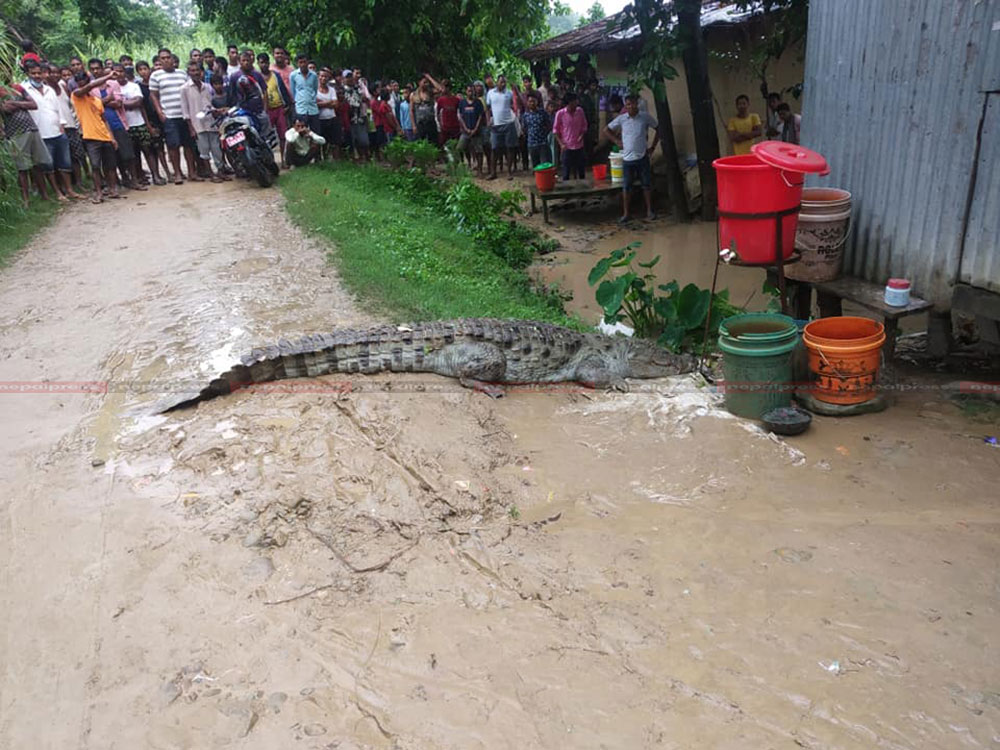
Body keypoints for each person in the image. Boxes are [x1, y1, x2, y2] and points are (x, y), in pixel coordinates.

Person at [21, 60, 78, 201]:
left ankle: (70, 190)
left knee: (64, 163)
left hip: (57, 131)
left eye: (39, 73)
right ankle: (57, 193)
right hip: (40, 133)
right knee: (48, 165)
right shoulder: (24, 89)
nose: (37, 76)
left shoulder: (49, 89)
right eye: (33, 73)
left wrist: (62, 126)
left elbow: (58, 110)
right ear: (28, 74)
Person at [1, 78, 57, 206]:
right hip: (15, 133)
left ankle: (45, 195)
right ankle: (25, 200)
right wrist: (21, 103)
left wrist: (15, 104)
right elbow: (5, 110)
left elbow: (33, 105)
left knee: (38, 165)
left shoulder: (18, 87)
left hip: (32, 129)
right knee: (22, 168)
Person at [605, 93, 659, 223]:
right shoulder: (622, 119)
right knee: (627, 187)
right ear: (626, 105)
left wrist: (653, 147)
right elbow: (606, 130)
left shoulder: (645, 117)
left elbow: (658, 128)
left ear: (637, 104)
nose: (631, 106)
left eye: (633, 104)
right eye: (628, 104)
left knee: (646, 185)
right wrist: (617, 141)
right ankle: (626, 213)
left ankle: (649, 210)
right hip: (627, 159)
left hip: (642, 157)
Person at [150, 47, 198, 184]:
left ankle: (191, 172)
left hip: (184, 115)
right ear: (159, 60)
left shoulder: (182, 74)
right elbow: (153, 95)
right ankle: (177, 173)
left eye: (168, 57)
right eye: (162, 58)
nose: (166, 60)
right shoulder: (156, 76)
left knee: (188, 145)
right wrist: (160, 112)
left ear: (172, 58)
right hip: (169, 115)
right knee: (173, 145)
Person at [70, 70, 119, 202]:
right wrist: (108, 76)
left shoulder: (97, 100)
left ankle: (112, 189)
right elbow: (89, 87)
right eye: (79, 83)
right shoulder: (76, 95)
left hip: (104, 136)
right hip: (90, 137)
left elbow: (104, 120)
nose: (82, 85)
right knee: (95, 166)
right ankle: (98, 193)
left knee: (110, 165)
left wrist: (112, 137)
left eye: (84, 82)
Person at [101, 63, 143, 189]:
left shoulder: (114, 85)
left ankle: (134, 180)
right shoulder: (93, 88)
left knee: (128, 154)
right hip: (103, 127)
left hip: (118, 123)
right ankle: (123, 179)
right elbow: (95, 105)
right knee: (113, 156)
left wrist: (104, 102)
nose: (115, 74)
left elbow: (118, 103)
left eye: (118, 71)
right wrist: (108, 100)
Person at [180, 62, 224, 181]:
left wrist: (216, 112)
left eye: (197, 70)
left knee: (216, 149)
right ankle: (210, 173)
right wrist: (191, 128)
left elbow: (210, 104)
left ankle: (220, 171)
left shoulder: (207, 87)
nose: (195, 73)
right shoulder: (184, 89)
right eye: (192, 71)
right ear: (188, 72)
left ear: (201, 72)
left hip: (211, 123)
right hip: (197, 125)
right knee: (204, 151)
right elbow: (185, 111)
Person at [120, 62, 160, 187]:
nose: (119, 75)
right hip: (126, 126)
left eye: (121, 72)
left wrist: (121, 103)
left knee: (148, 151)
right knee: (134, 154)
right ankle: (139, 177)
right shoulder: (113, 88)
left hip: (139, 123)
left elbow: (139, 103)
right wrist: (128, 103)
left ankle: (156, 176)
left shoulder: (134, 86)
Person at [50, 64, 88, 189]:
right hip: (57, 128)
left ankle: (79, 183)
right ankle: (63, 187)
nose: (54, 75)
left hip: (71, 125)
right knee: (61, 159)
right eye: (51, 72)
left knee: (76, 156)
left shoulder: (63, 86)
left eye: (57, 72)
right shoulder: (46, 90)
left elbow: (70, 105)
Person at [135, 59, 170, 183]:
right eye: (140, 70)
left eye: (145, 69)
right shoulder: (139, 87)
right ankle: (156, 175)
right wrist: (148, 125)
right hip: (150, 120)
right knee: (154, 149)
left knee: (164, 147)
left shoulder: (156, 83)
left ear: (149, 69)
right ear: (138, 72)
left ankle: (168, 172)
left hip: (162, 116)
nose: (144, 72)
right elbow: (142, 107)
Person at [258, 52, 292, 168]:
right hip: (265, 111)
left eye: (266, 62)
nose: (264, 65)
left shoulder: (275, 75)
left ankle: (284, 160)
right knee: (266, 138)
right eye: (261, 63)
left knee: (283, 136)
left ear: (269, 63)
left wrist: (287, 104)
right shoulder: (256, 77)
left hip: (279, 109)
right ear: (258, 64)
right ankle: (269, 162)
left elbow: (282, 89)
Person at [485, 74, 517, 180]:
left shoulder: (509, 93)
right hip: (495, 125)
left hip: (508, 123)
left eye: (504, 82)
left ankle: (509, 172)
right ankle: (493, 173)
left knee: (509, 148)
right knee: (494, 149)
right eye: (501, 82)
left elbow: (514, 105)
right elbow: (487, 108)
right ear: (497, 82)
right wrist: (488, 120)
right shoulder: (490, 93)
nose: (503, 84)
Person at [553, 91, 587, 180]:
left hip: (579, 145)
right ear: (568, 103)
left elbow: (584, 125)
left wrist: (582, 135)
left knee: (581, 170)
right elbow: (555, 130)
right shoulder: (560, 114)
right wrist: (561, 144)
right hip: (567, 146)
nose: (576, 104)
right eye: (574, 102)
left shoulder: (580, 111)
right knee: (566, 171)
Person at [341, 70, 371, 161]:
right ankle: (354, 159)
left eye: (350, 77)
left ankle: (364, 158)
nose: (349, 79)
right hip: (348, 119)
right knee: (351, 140)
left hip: (360, 117)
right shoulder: (341, 90)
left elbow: (364, 100)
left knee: (364, 140)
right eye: (347, 77)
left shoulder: (357, 88)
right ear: (343, 78)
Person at [457, 84, 485, 172]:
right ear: (466, 92)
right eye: (469, 91)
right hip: (465, 131)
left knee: (479, 151)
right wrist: (465, 128)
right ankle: (464, 166)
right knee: (460, 148)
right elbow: (460, 117)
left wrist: (475, 129)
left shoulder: (478, 102)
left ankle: (480, 170)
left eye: (472, 91)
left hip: (476, 131)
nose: (471, 93)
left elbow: (480, 117)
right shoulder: (462, 103)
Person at [315, 67, 340, 161]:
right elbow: (315, 104)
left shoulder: (332, 89)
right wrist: (329, 102)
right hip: (320, 119)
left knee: (335, 141)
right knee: (322, 142)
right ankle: (322, 161)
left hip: (332, 118)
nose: (323, 78)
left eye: (326, 76)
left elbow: (336, 104)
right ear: (318, 77)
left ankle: (336, 161)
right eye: (321, 76)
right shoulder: (314, 90)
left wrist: (322, 103)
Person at [289, 53, 319, 129]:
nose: (303, 64)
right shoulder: (293, 75)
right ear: (297, 64)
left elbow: (315, 89)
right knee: (302, 133)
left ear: (308, 62)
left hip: (313, 109)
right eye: (300, 62)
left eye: (304, 62)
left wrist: (312, 99)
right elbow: (293, 91)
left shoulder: (314, 75)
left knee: (315, 133)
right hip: (300, 109)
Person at [521, 92, 550, 168]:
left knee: (544, 165)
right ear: (527, 103)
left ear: (537, 102)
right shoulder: (525, 115)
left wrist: (544, 134)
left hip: (542, 142)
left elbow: (548, 125)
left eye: (534, 101)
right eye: (530, 101)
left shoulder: (543, 113)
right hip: (531, 143)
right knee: (535, 166)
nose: (532, 103)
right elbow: (524, 128)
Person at [434, 78, 460, 146]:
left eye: (443, 87)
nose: (442, 89)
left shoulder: (456, 100)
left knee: (456, 146)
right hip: (445, 128)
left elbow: (459, 113)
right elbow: (437, 113)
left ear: (448, 88)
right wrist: (440, 125)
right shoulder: (440, 100)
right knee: (444, 146)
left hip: (455, 127)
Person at [411, 78, 437, 144]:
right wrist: (413, 125)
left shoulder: (430, 92)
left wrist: (429, 77)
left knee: (433, 142)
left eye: (427, 82)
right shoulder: (413, 95)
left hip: (430, 122)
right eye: (424, 82)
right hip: (420, 123)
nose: (426, 84)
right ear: (419, 82)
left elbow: (440, 89)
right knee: (420, 143)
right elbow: (411, 111)